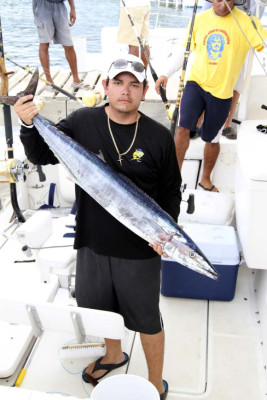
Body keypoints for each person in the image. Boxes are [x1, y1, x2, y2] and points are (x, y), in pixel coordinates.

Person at [14, 54, 182, 399]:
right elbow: (41, 155)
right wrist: (29, 124)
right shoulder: (82, 121)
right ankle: (114, 353)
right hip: (91, 241)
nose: (125, 91)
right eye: (118, 83)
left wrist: (164, 235)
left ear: (144, 91)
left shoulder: (158, 137)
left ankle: (154, 382)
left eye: (134, 84)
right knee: (100, 310)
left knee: (148, 320)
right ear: (105, 86)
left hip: (140, 250)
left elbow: (170, 192)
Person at [156, 0, 267, 192]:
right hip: (196, 84)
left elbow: (263, 46)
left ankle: (205, 180)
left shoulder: (246, 22)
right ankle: (174, 179)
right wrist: (166, 73)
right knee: (182, 128)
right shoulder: (199, 19)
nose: (223, 5)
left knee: (212, 138)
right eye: (217, 0)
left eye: (228, 0)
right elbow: (184, 49)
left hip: (223, 92)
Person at [201, 0, 265, 138]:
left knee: (237, 77)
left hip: (245, 23)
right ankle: (199, 122)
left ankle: (227, 124)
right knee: (207, 72)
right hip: (217, 21)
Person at [32, 0, 90, 91]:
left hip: (60, 6)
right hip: (42, 5)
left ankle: (76, 80)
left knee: (69, 44)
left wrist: (72, 9)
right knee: (44, 43)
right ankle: (49, 81)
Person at [117, 0, 151, 69]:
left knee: (133, 44)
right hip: (145, 5)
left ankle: (134, 76)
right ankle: (143, 75)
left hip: (132, 7)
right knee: (144, 42)